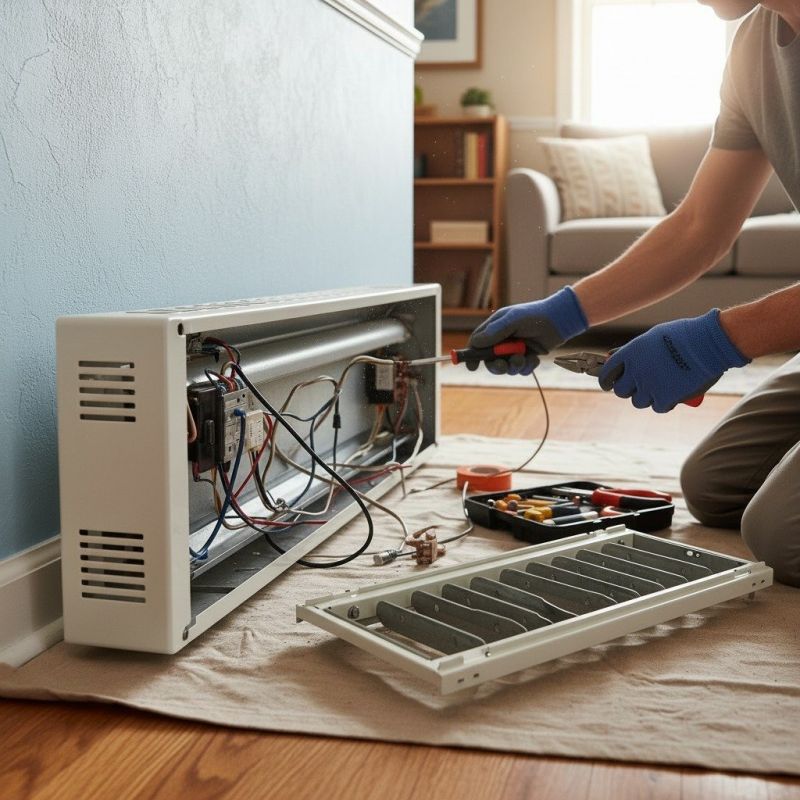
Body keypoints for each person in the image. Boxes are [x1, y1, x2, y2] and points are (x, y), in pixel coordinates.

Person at [467, 0, 800, 586]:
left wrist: (716, 341)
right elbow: (700, 224)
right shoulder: (753, 48)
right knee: (715, 486)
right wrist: (562, 313)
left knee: (783, 534)